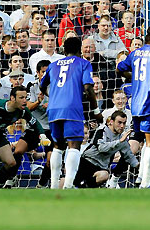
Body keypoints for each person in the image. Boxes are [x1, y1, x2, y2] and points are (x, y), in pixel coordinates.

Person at [40, 37, 100, 189]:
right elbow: (88, 87)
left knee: (57, 146)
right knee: (74, 145)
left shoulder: (53, 65)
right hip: (72, 108)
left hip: (53, 109)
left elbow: (42, 86)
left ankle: (54, 185)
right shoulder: (83, 63)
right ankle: (67, 185)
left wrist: (53, 96)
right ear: (79, 50)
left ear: (64, 50)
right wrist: (96, 110)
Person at [116, 24, 150, 188]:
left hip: (136, 104)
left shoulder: (135, 53)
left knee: (144, 141)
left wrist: (135, 78)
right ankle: (145, 183)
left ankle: (140, 177)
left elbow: (120, 68)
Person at [74, 111, 138, 188]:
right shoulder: (102, 131)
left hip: (102, 168)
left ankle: (84, 188)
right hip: (87, 161)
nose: (122, 126)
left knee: (105, 175)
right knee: (66, 182)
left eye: (124, 123)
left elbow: (129, 156)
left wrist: (140, 167)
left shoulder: (122, 139)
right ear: (111, 122)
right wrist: (119, 142)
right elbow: (101, 148)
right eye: (119, 123)